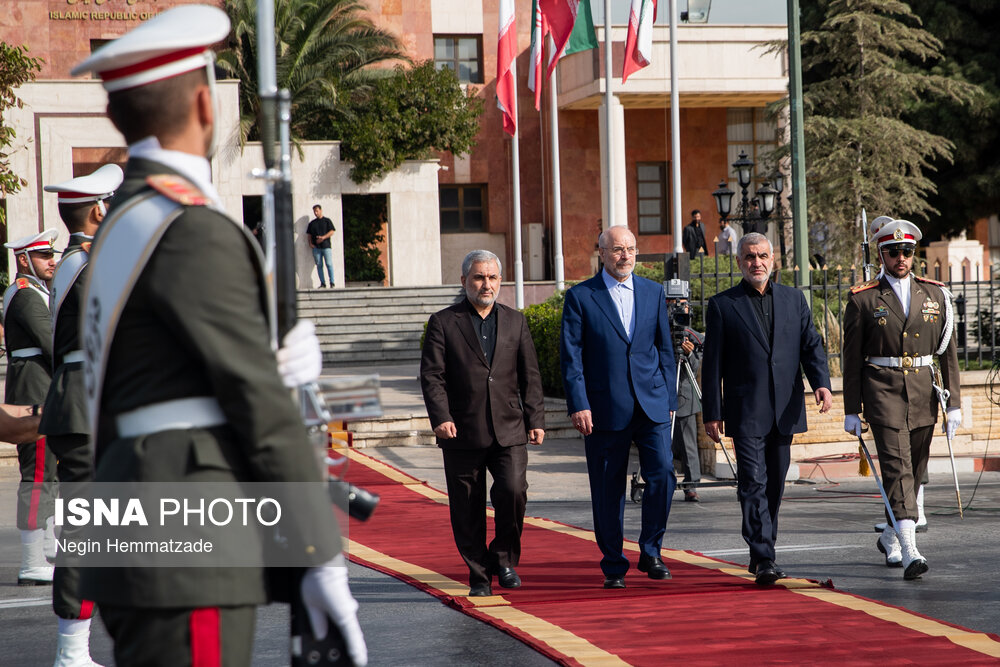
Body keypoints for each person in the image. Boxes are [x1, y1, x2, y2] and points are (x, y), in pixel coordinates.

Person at [70, 6, 366, 665]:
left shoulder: (123, 221)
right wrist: (320, 553)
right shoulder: (190, 226)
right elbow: (256, 398)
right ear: (206, 104)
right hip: (187, 525)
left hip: (136, 514)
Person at [702, 232, 832, 585]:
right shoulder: (722, 305)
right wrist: (712, 412)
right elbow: (711, 365)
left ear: (772, 259)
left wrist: (822, 382)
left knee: (774, 483)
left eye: (761, 256)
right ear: (739, 262)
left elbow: (811, 346)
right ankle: (763, 557)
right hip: (745, 410)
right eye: (748, 257)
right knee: (753, 483)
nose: (755, 262)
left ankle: (763, 550)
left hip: (785, 409)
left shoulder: (794, 300)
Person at [419, 250, 545, 597]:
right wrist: (440, 417)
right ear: (464, 281)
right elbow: (432, 376)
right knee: (466, 505)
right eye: (478, 277)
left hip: (510, 428)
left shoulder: (516, 321)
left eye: (491, 277)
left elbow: (529, 375)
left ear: (499, 281)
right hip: (462, 430)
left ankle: (503, 559)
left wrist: (535, 418)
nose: (486, 284)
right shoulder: (443, 322)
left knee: (513, 491)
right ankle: (478, 574)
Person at [842, 217, 960, 580]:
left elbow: (948, 353)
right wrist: (851, 408)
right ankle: (910, 549)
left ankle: (892, 534)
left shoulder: (935, 294)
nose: (901, 258)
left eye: (907, 251)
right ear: (882, 254)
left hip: (924, 392)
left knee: (917, 470)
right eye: (894, 252)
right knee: (896, 468)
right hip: (883, 391)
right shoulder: (863, 299)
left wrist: (954, 402)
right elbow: (851, 358)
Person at [560, 225, 678, 589]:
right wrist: (579, 403)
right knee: (607, 488)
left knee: (663, 477)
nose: (624, 255)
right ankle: (613, 562)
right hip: (603, 408)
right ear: (602, 253)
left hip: (652, 405)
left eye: (630, 249)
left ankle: (651, 550)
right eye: (616, 250)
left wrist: (669, 398)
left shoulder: (653, 292)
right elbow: (571, 356)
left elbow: (664, 349)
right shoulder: (581, 297)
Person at [40, 163, 123, 667]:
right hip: (87, 405)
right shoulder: (90, 264)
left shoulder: (79, 261)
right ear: (98, 210)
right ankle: (72, 651)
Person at [3, 229, 59, 587]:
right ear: (24, 260)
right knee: (38, 473)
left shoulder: (37, 291)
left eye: (51, 254)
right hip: (34, 387)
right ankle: (31, 561)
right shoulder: (25, 295)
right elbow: (50, 342)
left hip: (42, 382)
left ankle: (47, 549)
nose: (51, 260)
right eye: (43, 256)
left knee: (51, 471)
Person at [672, 318, 704, 502]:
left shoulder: (690, 335)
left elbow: (694, 367)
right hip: (661, 397)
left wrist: (690, 355)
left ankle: (691, 485)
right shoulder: (657, 329)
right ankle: (664, 481)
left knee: (688, 444)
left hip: (684, 397)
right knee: (661, 445)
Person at [307, 204, 336, 287]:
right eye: (314, 211)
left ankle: (332, 282)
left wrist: (323, 237)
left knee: (329, 264)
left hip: (326, 246)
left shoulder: (327, 221)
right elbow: (309, 234)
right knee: (319, 265)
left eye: (317, 211)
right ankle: (323, 283)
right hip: (316, 248)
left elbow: (332, 231)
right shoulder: (312, 223)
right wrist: (310, 243)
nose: (316, 213)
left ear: (321, 210)